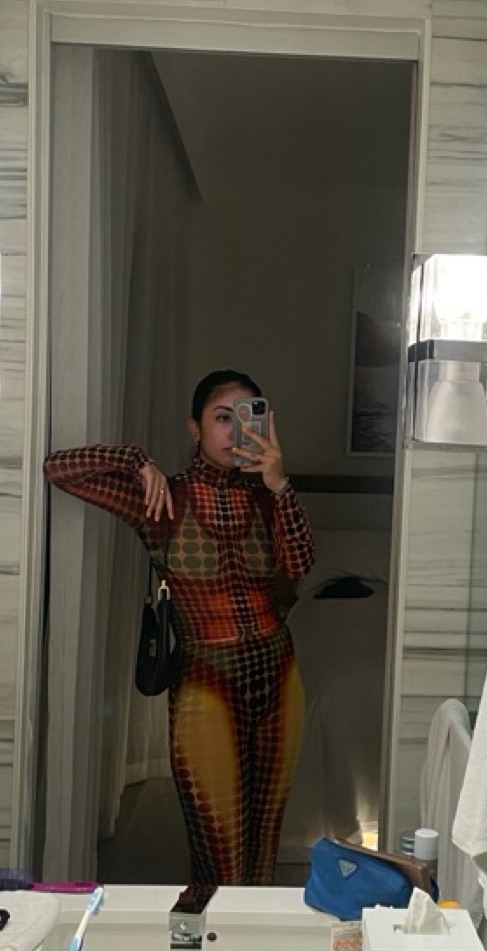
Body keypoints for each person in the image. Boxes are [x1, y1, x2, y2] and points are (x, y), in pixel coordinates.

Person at [43, 369, 315, 887]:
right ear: (195, 428)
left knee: (264, 844)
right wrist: (136, 461)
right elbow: (58, 469)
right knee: (218, 847)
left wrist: (280, 485)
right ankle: (212, 937)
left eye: (246, 418)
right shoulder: (163, 497)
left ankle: (251, 938)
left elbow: (300, 564)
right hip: (204, 677)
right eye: (221, 418)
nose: (234, 431)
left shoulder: (267, 496)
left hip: (278, 671)